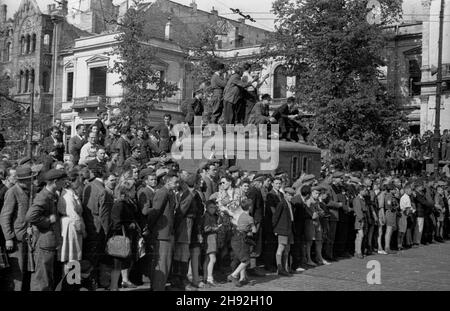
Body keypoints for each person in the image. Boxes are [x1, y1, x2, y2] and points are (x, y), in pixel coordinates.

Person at [26, 169, 67, 291]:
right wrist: (48, 220)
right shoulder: (43, 197)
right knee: (42, 280)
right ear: (55, 181)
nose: (65, 183)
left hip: (50, 242)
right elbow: (30, 216)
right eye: (63, 180)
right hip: (44, 242)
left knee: (48, 278)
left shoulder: (52, 194)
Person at [0, 165, 34, 291]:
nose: (32, 181)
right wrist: (8, 237)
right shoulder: (12, 192)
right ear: (22, 180)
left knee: (26, 271)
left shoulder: (29, 192)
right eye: (29, 179)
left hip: (27, 237)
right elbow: (4, 217)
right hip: (16, 239)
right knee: (17, 274)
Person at [148, 172, 179, 291]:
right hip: (161, 233)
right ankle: (158, 288)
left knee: (165, 263)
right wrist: (151, 229)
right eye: (175, 182)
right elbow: (154, 212)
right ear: (168, 181)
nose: (177, 185)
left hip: (167, 233)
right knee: (162, 264)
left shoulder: (169, 193)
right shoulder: (162, 192)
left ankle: (159, 286)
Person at [109, 179, 139, 290]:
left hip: (125, 236)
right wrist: (128, 225)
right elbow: (116, 222)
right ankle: (114, 286)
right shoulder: (120, 204)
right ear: (127, 191)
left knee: (123, 262)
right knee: (118, 263)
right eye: (133, 189)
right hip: (119, 237)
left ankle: (120, 283)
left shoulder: (127, 203)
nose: (135, 191)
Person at [58, 170, 86, 272]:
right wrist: (82, 229)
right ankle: (70, 282)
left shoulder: (72, 193)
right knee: (72, 255)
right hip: (71, 226)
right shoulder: (67, 195)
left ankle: (72, 281)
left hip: (72, 224)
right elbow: (73, 215)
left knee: (73, 255)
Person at [272, 186, 295, 276]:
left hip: (289, 229)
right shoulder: (282, 203)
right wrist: (275, 228)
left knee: (287, 249)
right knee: (281, 248)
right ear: (285, 194)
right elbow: (275, 217)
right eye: (289, 195)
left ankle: (286, 267)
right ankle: (280, 268)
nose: (291, 197)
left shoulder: (290, 204)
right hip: (282, 229)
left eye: (292, 195)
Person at [202, 200, 220, 286]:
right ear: (207, 208)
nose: (213, 209)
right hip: (210, 238)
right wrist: (215, 228)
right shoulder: (207, 216)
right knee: (212, 259)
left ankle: (206, 277)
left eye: (214, 207)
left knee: (208, 259)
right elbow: (206, 228)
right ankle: (209, 278)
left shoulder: (212, 216)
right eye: (211, 207)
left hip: (212, 238)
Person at [353, 185, 367, 259]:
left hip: (361, 218)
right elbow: (358, 210)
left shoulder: (361, 199)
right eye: (364, 190)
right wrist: (361, 219)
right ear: (360, 191)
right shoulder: (357, 199)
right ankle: (358, 252)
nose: (366, 192)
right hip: (359, 219)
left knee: (358, 236)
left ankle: (357, 251)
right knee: (360, 235)